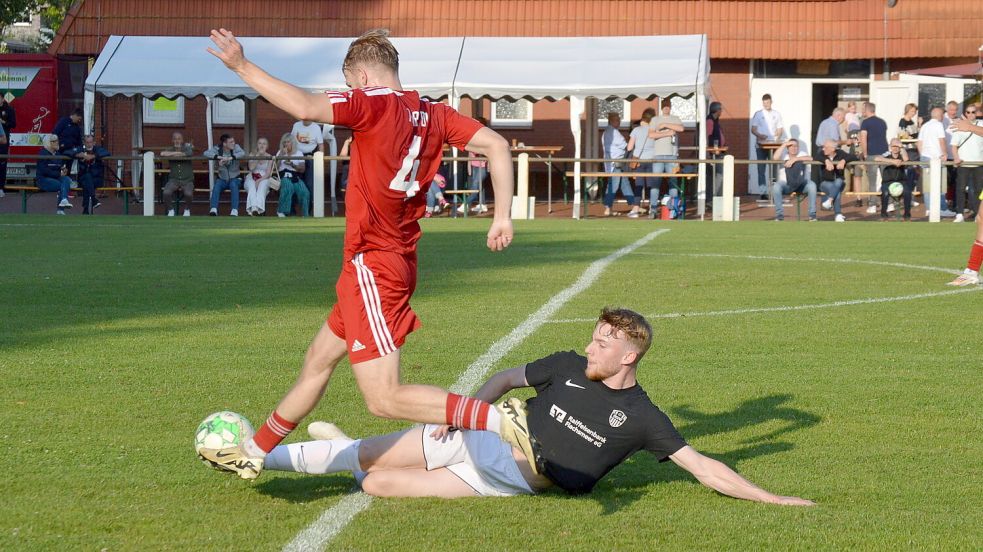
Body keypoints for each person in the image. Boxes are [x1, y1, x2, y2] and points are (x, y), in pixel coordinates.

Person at [203, 28, 517, 481]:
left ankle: (502, 421)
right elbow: (498, 145)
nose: (349, 94)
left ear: (363, 76)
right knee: (318, 359)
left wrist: (241, 66)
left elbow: (305, 107)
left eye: (350, 84)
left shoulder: (371, 102)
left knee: (383, 398)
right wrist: (501, 215)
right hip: (388, 261)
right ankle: (253, 450)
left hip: (375, 262)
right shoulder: (433, 112)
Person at [258, 307, 815, 505]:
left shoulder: (644, 417)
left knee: (376, 483)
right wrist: (461, 415)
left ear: (630, 353)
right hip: (480, 437)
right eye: (594, 337)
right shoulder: (567, 363)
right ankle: (256, 459)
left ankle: (338, 450)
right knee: (371, 454)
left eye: (603, 342)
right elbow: (502, 378)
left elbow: (703, 466)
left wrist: (773, 496)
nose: (591, 346)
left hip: (507, 482)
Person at [918, 107, 956, 217]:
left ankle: (929, 209)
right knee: (941, 184)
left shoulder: (925, 126)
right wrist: (945, 153)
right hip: (936, 158)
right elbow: (942, 140)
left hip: (925, 157)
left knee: (927, 185)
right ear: (941, 116)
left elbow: (919, 142)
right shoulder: (938, 125)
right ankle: (942, 209)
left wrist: (922, 155)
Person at [650, 98, 685, 213]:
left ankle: (673, 208)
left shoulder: (675, 119)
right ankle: (653, 209)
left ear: (670, 106)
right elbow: (651, 134)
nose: (666, 107)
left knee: (673, 182)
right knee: (655, 182)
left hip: (672, 155)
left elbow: (681, 128)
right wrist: (667, 133)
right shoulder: (655, 119)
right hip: (658, 155)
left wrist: (665, 124)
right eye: (664, 105)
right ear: (661, 107)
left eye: (668, 105)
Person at [950, 104, 983, 222]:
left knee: (979, 190)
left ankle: (978, 214)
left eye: (973, 112)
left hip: (979, 163)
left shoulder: (981, 124)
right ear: (965, 113)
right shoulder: (959, 126)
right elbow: (954, 145)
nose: (970, 114)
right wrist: (956, 158)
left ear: (977, 113)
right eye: (968, 112)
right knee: (960, 188)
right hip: (963, 163)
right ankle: (959, 214)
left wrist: (969, 127)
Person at [770, 139, 815, 221]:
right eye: (791, 146)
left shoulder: (802, 153)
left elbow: (811, 158)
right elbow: (775, 158)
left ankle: (812, 215)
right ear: (787, 148)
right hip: (786, 184)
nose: (794, 148)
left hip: (801, 184)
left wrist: (795, 159)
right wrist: (784, 144)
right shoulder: (784, 155)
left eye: (796, 146)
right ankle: (779, 215)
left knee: (812, 185)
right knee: (776, 186)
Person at [750, 93, 784, 197]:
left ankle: (774, 192)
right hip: (761, 146)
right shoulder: (758, 114)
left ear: (771, 102)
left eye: (768, 103)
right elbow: (753, 129)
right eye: (764, 103)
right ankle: (763, 193)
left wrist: (778, 133)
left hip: (773, 145)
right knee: (761, 169)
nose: (766, 105)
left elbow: (780, 128)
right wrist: (760, 135)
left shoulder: (777, 114)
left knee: (774, 169)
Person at [625, 108, 658, 218]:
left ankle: (635, 209)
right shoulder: (655, 130)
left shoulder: (636, 130)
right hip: (652, 160)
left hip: (639, 161)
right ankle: (652, 208)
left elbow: (629, 147)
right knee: (651, 185)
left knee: (639, 185)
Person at [203, 133, 245, 216]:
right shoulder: (218, 149)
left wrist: (230, 158)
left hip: (235, 177)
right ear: (224, 144)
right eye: (231, 142)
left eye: (233, 141)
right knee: (217, 185)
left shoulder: (236, 147)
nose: (233, 143)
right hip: (222, 178)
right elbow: (206, 153)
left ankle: (234, 210)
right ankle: (213, 209)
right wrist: (219, 158)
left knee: (233, 185)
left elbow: (242, 153)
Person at [68, 134, 110, 215]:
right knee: (87, 178)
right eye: (87, 142)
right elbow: (68, 152)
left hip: (96, 178)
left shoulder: (97, 149)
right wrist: (79, 155)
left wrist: (93, 156)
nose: (89, 144)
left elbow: (106, 153)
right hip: (83, 178)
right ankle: (93, 200)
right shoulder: (80, 149)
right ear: (84, 142)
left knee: (87, 182)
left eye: (91, 142)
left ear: (94, 142)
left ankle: (86, 208)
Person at [859, 102, 889, 213]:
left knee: (872, 181)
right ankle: (889, 203)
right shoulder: (882, 122)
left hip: (872, 154)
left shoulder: (865, 122)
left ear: (867, 110)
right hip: (884, 154)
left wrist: (865, 154)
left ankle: (872, 204)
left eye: (863, 109)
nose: (862, 111)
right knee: (886, 180)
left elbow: (863, 138)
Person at [601, 111, 632, 217]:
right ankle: (607, 207)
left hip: (613, 162)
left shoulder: (606, 132)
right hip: (615, 163)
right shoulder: (614, 132)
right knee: (613, 185)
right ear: (612, 121)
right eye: (618, 120)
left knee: (625, 183)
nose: (619, 122)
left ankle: (633, 204)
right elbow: (625, 145)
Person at [817, 140, 855, 222]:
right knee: (836, 190)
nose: (823, 149)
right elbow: (816, 157)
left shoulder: (840, 153)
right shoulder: (822, 153)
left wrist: (843, 160)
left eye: (826, 147)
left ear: (833, 149)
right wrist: (826, 161)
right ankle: (838, 214)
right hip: (825, 183)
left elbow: (853, 156)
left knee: (838, 182)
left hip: (839, 182)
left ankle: (829, 201)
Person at [876, 138, 915, 221]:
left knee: (907, 192)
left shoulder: (902, 155)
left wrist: (902, 147)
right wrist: (892, 161)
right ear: (890, 146)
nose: (895, 148)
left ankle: (907, 215)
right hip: (887, 182)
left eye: (897, 146)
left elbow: (906, 159)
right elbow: (877, 158)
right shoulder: (887, 154)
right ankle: (884, 214)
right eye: (893, 146)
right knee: (885, 193)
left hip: (901, 182)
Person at [291, 118, 323, 214]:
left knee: (309, 184)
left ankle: (307, 210)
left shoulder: (316, 127)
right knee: (294, 183)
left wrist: (318, 159)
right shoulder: (296, 125)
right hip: (297, 156)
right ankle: (292, 209)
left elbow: (321, 145)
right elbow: (291, 140)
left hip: (310, 157)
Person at [35, 135, 73, 214]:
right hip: (43, 179)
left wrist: (64, 170)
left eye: (57, 140)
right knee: (61, 184)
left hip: (56, 177)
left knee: (66, 179)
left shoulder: (58, 154)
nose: (57, 142)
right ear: (49, 143)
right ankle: (61, 208)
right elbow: (44, 171)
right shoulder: (42, 154)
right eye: (54, 141)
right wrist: (59, 173)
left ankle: (63, 202)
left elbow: (60, 167)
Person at [274, 132, 309, 217]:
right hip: (284, 176)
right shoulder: (280, 152)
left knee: (304, 192)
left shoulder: (299, 153)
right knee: (288, 186)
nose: (286, 144)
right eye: (284, 142)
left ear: (292, 143)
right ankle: (282, 211)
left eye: (288, 142)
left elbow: (302, 169)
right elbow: (276, 168)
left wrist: (292, 165)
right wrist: (282, 155)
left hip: (295, 176)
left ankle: (305, 214)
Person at [159, 132, 195, 217]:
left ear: (182, 140)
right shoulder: (170, 148)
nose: (177, 141)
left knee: (188, 194)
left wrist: (173, 154)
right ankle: (170, 210)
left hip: (187, 179)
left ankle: (187, 209)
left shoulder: (187, 148)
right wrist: (177, 154)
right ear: (172, 140)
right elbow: (162, 153)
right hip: (174, 179)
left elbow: (189, 153)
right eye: (175, 139)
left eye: (179, 139)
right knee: (166, 192)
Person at [244, 137, 274, 216]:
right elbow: (251, 168)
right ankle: (254, 208)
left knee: (262, 186)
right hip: (252, 176)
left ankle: (259, 209)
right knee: (252, 187)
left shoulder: (269, 157)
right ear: (257, 145)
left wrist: (259, 180)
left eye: (264, 144)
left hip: (264, 177)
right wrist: (258, 156)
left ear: (267, 146)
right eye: (260, 143)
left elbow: (268, 173)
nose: (262, 145)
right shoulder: (252, 154)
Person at [705, 101, 726, 200]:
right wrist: (709, 151)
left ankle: (714, 197)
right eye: (721, 109)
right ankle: (714, 198)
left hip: (718, 152)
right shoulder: (710, 121)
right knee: (717, 176)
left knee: (718, 176)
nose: (721, 111)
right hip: (712, 153)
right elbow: (707, 136)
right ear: (717, 110)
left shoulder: (716, 120)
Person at [0, 96, 15, 198]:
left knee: (2, 164)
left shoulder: (9, 109)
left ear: (2, 99)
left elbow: (13, 124)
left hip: (3, 140)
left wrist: (3, 122)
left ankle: (1, 188)